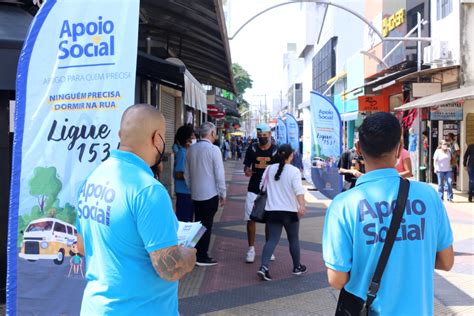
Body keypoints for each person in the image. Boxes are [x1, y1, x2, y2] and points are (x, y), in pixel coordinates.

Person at [323, 112, 454, 315]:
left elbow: (337, 279)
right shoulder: (429, 196)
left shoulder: (343, 205)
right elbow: (447, 262)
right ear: (399, 149)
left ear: (358, 149)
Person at [75, 104, 196, 315]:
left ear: (121, 135)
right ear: (157, 138)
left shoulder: (92, 179)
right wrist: (188, 256)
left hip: (95, 307)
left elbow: (82, 246)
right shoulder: (149, 190)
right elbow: (169, 268)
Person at [257, 144, 306, 281]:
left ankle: (263, 267)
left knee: (272, 239)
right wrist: (301, 205)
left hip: (272, 211)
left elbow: (262, 187)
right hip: (290, 211)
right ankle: (297, 267)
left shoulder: (269, 169)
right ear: (291, 155)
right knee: (293, 239)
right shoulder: (294, 171)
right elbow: (299, 190)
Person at [185, 122, 226, 266]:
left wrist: (191, 187)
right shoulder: (214, 150)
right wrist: (223, 193)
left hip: (196, 194)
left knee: (198, 224)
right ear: (212, 134)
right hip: (210, 194)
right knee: (206, 225)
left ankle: (196, 251)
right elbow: (219, 174)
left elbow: (186, 173)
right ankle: (202, 255)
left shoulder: (191, 149)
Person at [243, 123, 278, 263]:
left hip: (270, 190)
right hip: (253, 188)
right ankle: (251, 248)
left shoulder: (276, 151)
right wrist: (247, 171)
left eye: (264, 136)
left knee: (269, 220)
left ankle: (268, 248)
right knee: (250, 218)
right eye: (259, 136)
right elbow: (246, 166)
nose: (262, 138)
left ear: (269, 135)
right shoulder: (251, 149)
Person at [172, 125, 195, 222]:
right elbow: (178, 174)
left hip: (189, 193)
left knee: (189, 220)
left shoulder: (189, 152)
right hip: (184, 193)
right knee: (184, 221)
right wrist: (193, 175)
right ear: (187, 138)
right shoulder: (182, 153)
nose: (194, 138)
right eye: (193, 136)